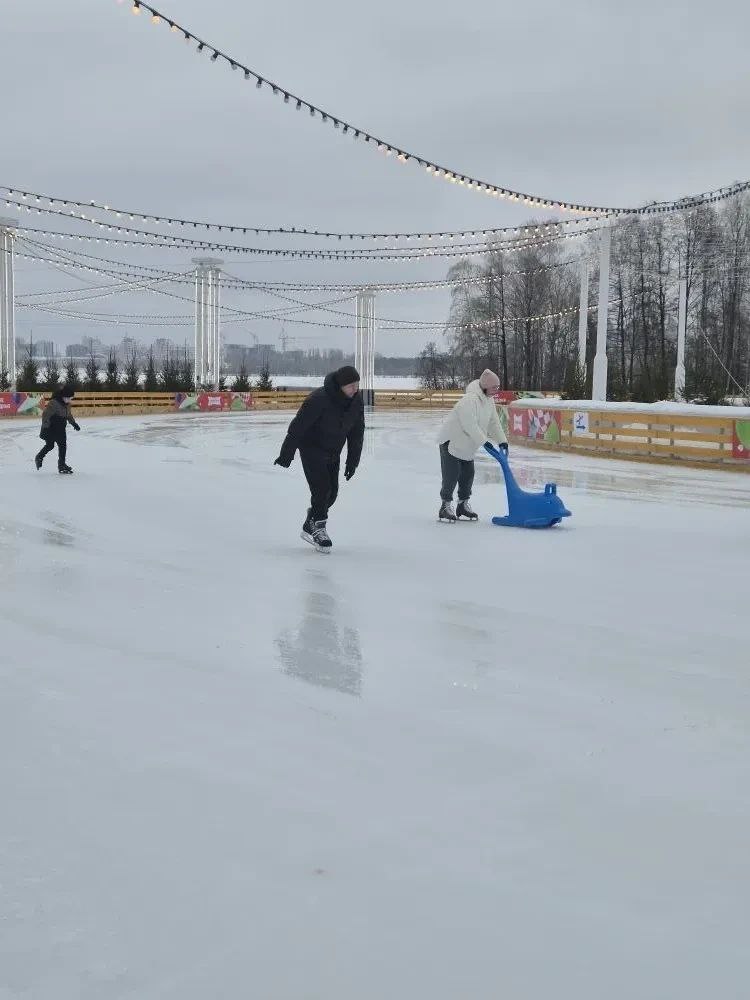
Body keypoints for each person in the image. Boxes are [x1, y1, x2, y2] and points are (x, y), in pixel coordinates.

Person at [274, 366, 365, 551]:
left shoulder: (356, 401)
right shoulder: (318, 399)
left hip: (333, 451)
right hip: (311, 449)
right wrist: (286, 454)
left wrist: (352, 461)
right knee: (322, 490)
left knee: (332, 494)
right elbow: (297, 428)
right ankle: (319, 529)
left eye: (357, 385)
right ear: (340, 386)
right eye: (351, 386)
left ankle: (311, 522)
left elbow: (357, 433)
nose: (355, 389)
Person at [436, 369, 508, 522]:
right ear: (486, 387)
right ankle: (445, 506)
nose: (497, 390)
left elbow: (494, 423)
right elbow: (470, 425)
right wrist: (485, 443)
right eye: (495, 387)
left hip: (468, 445)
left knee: (468, 475)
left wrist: (502, 441)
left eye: (498, 386)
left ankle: (462, 505)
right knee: (451, 475)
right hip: (452, 442)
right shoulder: (469, 400)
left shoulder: (489, 401)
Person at [35, 386, 80, 474]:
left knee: (63, 446)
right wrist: (46, 427)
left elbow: (68, 415)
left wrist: (74, 423)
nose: (69, 400)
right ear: (63, 396)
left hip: (61, 427)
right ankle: (39, 457)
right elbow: (45, 415)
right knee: (50, 445)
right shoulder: (54, 403)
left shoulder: (67, 404)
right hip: (51, 427)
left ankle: (61, 465)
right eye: (68, 398)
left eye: (71, 398)